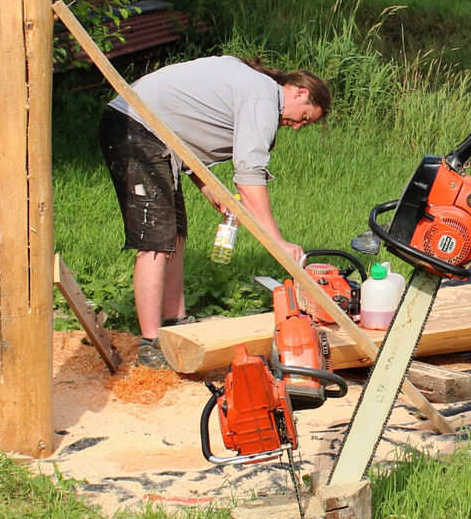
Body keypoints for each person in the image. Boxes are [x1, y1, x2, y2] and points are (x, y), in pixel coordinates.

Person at [100, 55, 330, 367]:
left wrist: (206, 185)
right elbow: (249, 173)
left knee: (174, 233)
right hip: (135, 125)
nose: (299, 126)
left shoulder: (255, 87)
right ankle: (151, 345)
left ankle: (175, 322)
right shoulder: (262, 94)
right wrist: (277, 240)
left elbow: (185, 126)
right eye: (305, 117)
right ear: (301, 92)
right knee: (154, 239)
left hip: (153, 133)